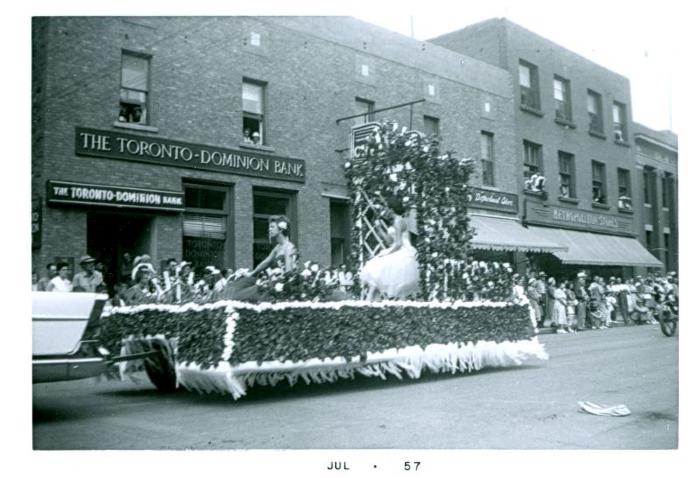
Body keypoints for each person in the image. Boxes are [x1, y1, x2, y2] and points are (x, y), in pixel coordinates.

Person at [219, 215, 298, 301]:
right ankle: (223, 298)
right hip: (269, 282)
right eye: (269, 227)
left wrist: (274, 279)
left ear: (281, 229)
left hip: (277, 286)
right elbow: (265, 263)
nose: (269, 229)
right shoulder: (278, 247)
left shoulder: (289, 247)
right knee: (239, 284)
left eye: (272, 227)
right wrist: (251, 274)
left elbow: (289, 273)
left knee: (240, 295)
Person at [359, 195, 419, 301]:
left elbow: (399, 243)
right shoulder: (395, 221)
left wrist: (386, 254)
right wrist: (379, 229)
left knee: (380, 271)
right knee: (376, 276)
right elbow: (390, 242)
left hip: (402, 252)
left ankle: (370, 301)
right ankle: (370, 302)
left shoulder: (399, 221)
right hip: (397, 249)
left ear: (391, 209)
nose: (385, 210)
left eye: (386, 208)